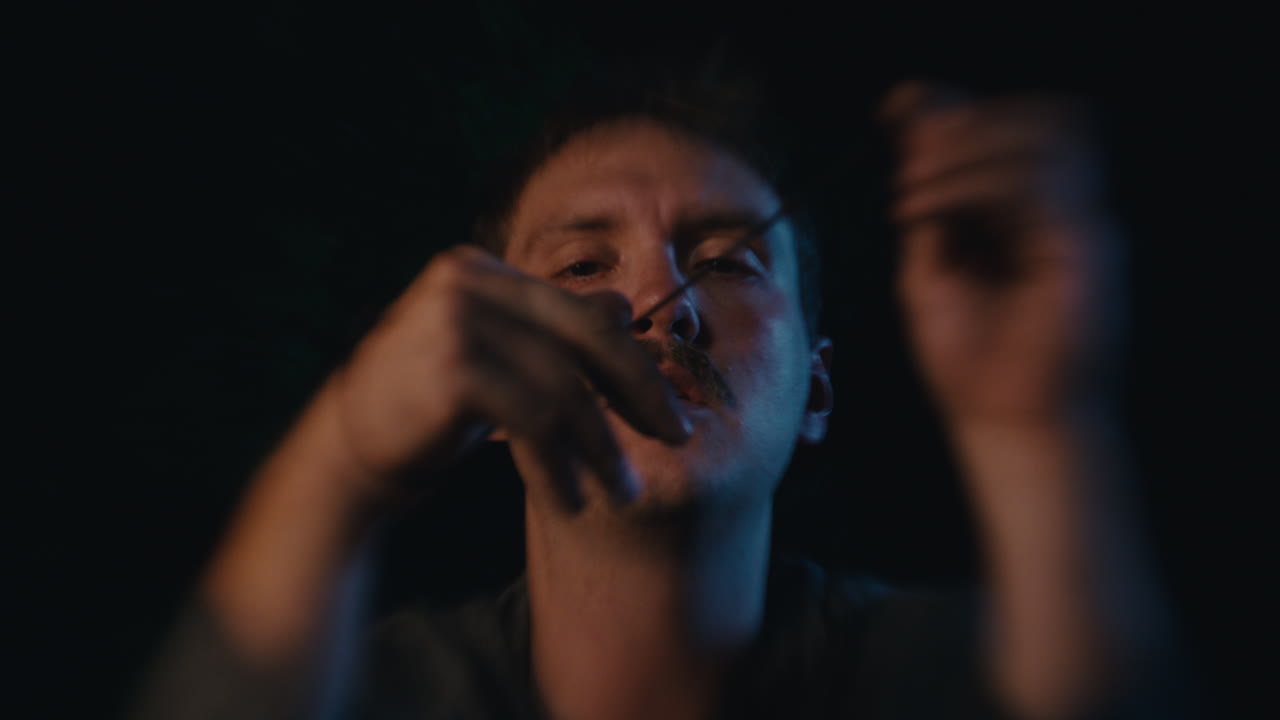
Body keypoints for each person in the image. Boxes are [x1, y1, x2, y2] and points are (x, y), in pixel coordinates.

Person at [134, 68, 1178, 720]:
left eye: (725, 263)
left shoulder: (970, 671)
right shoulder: (361, 693)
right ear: (479, 378)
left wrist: (1035, 426)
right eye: (582, 267)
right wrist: (343, 457)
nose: (657, 305)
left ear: (816, 389)